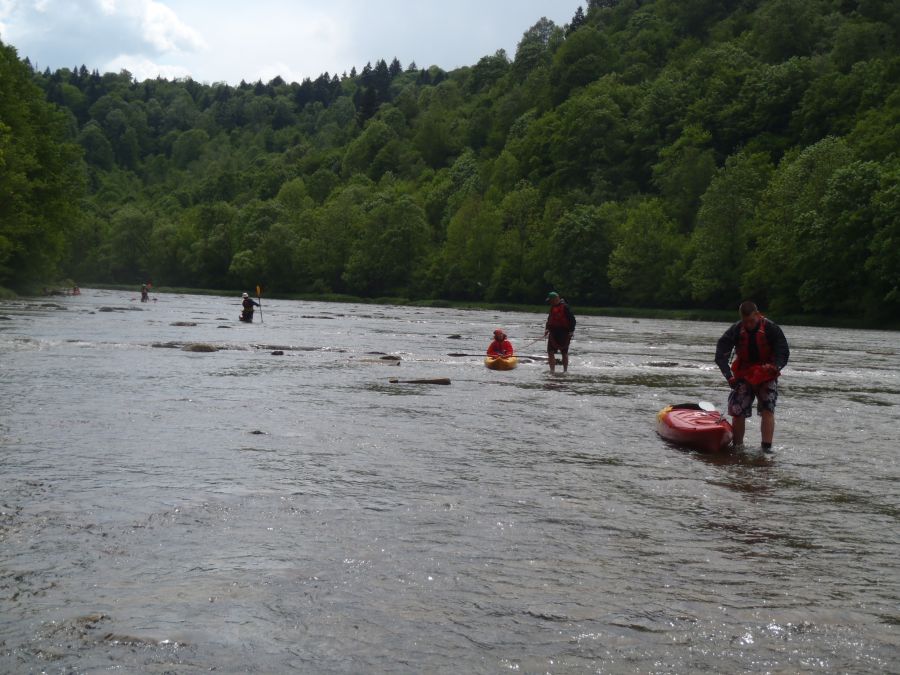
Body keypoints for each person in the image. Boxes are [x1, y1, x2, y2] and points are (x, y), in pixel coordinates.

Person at [715, 300, 790, 452]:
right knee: (737, 411)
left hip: (766, 373)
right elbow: (720, 355)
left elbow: (783, 352)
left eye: (751, 321)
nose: (748, 325)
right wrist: (729, 376)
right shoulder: (736, 330)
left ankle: (766, 449)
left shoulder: (771, 328)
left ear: (757, 314)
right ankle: (737, 448)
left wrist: (775, 366)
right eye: (745, 321)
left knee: (768, 409)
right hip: (744, 374)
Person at [543, 291, 576, 373]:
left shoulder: (565, 307)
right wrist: (547, 329)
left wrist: (571, 331)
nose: (550, 302)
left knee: (564, 352)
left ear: (555, 299)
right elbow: (549, 319)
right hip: (553, 332)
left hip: (564, 332)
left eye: (550, 300)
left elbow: (573, 320)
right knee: (550, 352)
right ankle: (552, 371)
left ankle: (565, 371)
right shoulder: (552, 307)